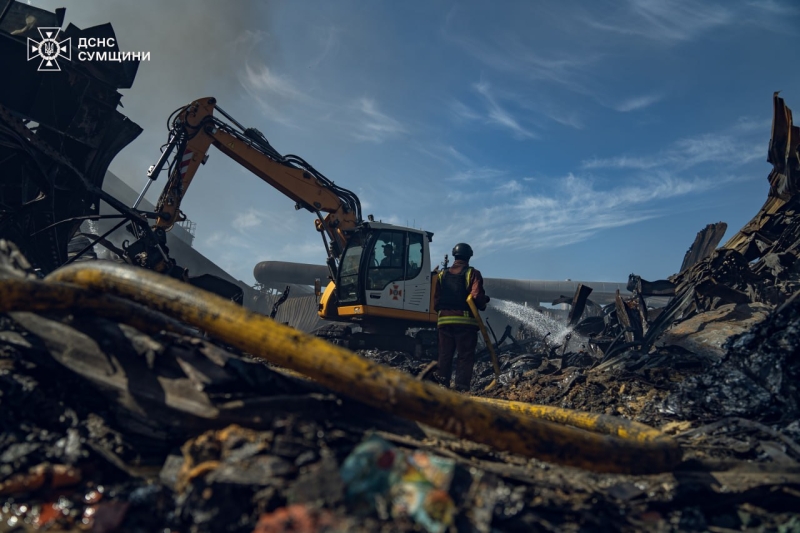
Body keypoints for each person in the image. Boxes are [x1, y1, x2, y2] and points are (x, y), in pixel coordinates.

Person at [433, 243, 489, 391]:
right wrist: (483, 303)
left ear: (454, 256)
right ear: (469, 257)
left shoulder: (441, 275)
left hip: (444, 322)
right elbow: (477, 296)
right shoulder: (473, 273)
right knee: (464, 356)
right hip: (465, 324)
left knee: (444, 355)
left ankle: (441, 386)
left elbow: (436, 301)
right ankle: (461, 388)